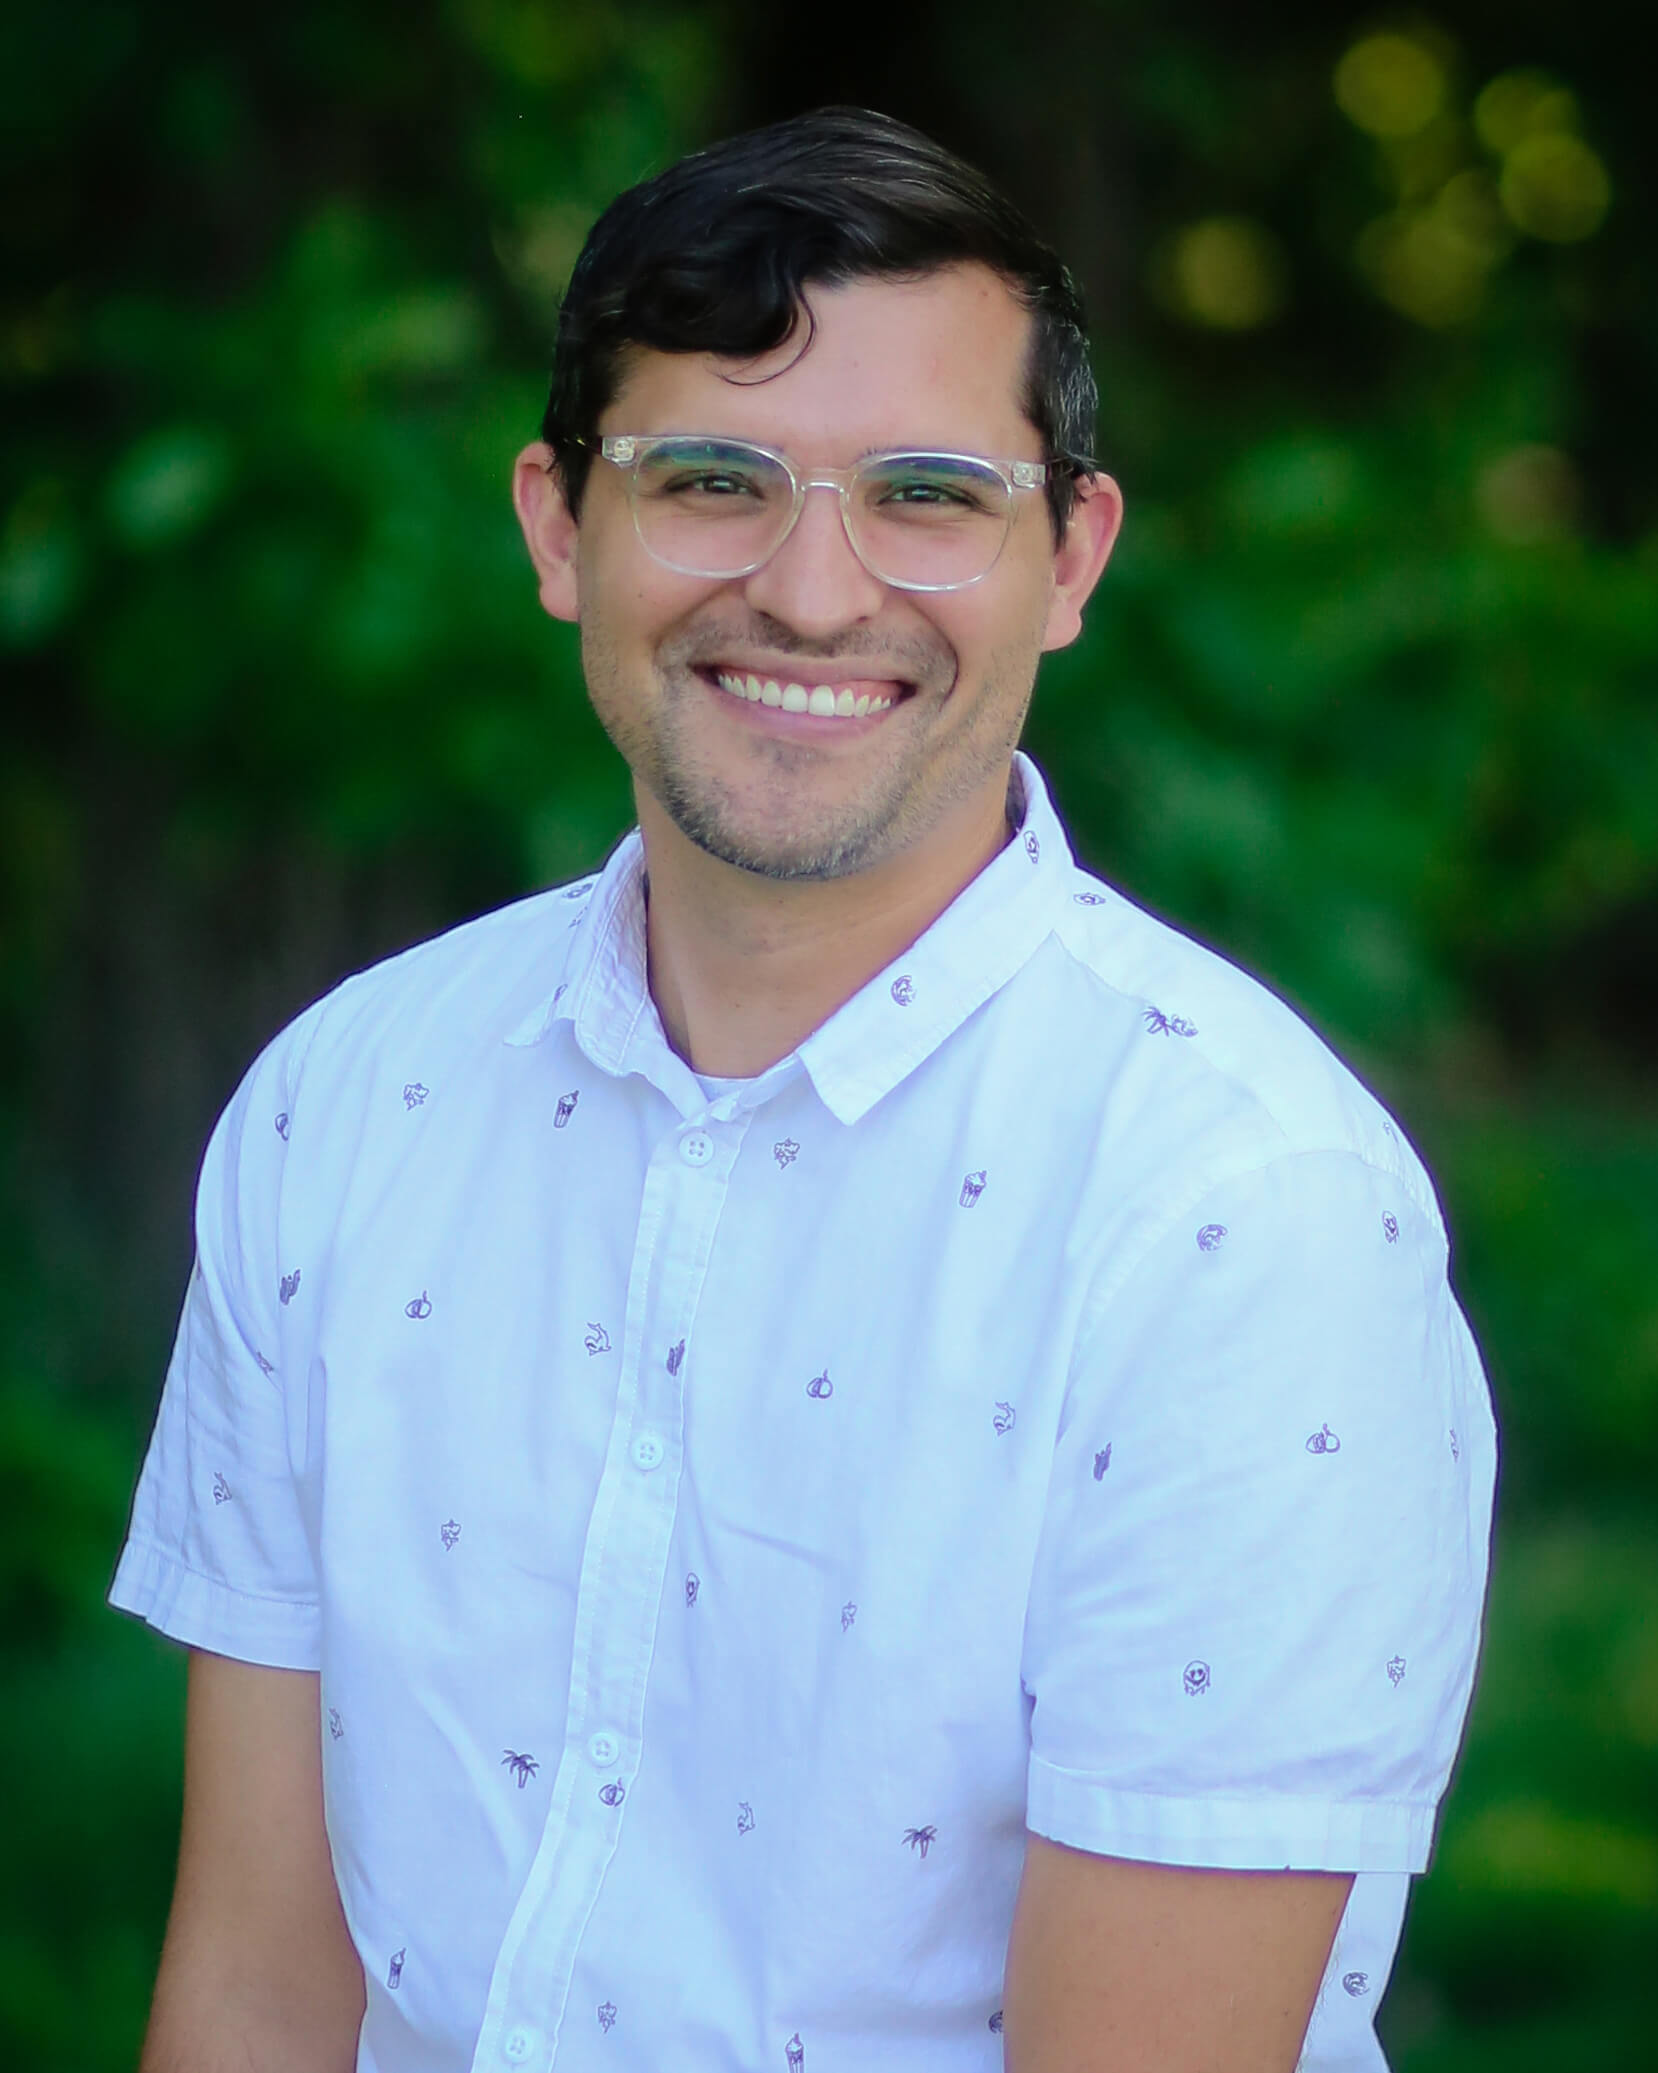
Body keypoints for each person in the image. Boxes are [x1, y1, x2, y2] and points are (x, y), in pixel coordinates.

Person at [111, 106, 1495, 2073]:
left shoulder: (1240, 1214)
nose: (815, 592)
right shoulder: (347, 1103)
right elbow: (256, 1992)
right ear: (554, 525)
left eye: (926, 492)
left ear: (1068, 555)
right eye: (711, 476)